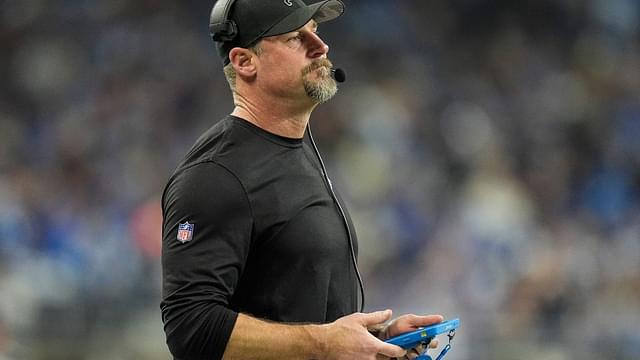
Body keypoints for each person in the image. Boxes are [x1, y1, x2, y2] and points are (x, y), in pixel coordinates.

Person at [160, 0, 444, 359]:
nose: (320, 46)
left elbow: (296, 307)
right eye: (296, 37)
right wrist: (326, 344)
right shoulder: (215, 175)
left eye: (316, 31)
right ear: (245, 62)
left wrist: (376, 340)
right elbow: (191, 327)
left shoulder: (299, 152)